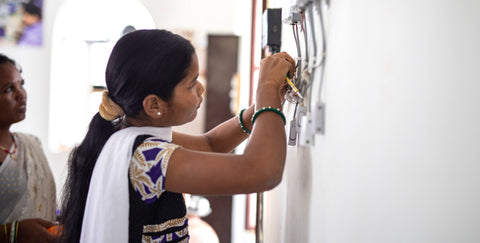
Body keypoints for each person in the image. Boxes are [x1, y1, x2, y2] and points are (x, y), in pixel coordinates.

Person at [59, 29, 295, 243]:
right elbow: (262, 172)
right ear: (154, 105)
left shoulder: (125, 135)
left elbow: (210, 145)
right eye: (192, 84)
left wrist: (256, 110)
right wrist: (266, 91)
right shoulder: (147, 158)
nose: (201, 88)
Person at [0, 53, 57, 243]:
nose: (21, 94)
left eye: (21, 84)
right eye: (9, 89)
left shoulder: (31, 144)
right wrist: (12, 232)